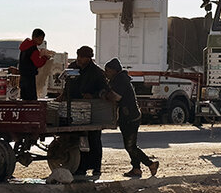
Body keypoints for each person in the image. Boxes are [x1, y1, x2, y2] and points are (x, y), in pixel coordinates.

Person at [104, 58, 159, 178]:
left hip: (130, 118)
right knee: (130, 145)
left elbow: (116, 97)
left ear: (114, 70)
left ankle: (151, 164)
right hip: (128, 117)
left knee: (130, 146)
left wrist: (103, 94)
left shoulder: (121, 80)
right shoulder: (118, 79)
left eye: (107, 70)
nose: (106, 73)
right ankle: (136, 169)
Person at [64, 45, 108, 177]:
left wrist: (93, 96)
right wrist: (63, 95)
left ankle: (96, 167)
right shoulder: (72, 67)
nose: (79, 59)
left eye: (82, 57)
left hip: (91, 110)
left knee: (94, 139)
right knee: (78, 139)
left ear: (89, 58)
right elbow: (67, 84)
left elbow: (104, 91)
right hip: (74, 109)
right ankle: (80, 167)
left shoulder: (97, 72)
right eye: (78, 56)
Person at [18, 28, 52, 100]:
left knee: (24, 98)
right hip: (29, 77)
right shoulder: (33, 49)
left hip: (23, 76)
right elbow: (38, 63)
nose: (42, 41)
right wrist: (45, 57)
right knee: (31, 98)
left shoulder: (25, 47)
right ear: (36, 38)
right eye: (41, 39)